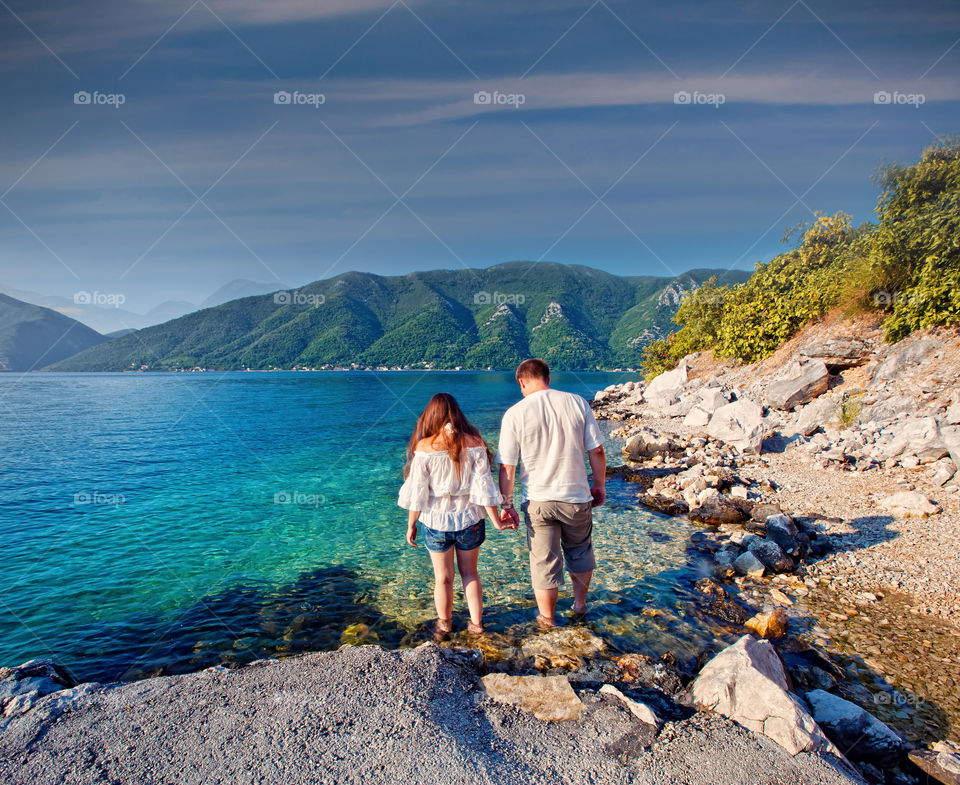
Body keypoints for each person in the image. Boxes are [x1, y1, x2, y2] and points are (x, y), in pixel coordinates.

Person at [496, 359, 606, 629]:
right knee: (579, 552)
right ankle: (579, 607)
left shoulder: (515, 412)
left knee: (544, 561)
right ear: (547, 377)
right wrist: (599, 485)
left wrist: (506, 503)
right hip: (577, 496)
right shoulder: (578, 402)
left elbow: (508, 467)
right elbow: (597, 451)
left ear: (521, 382)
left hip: (538, 500)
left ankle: (547, 619)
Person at [398, 392, 515, 640]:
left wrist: (411, 525)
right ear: (457, 413)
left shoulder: (424, 447)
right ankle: (476, 625)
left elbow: (418, 492)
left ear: (431, 415)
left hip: (436, 521)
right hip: (470, 519)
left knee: (443, 578)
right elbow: (483, 488)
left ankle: (444, 626)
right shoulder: (475, 442)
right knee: (470, 573)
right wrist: (496, 521)